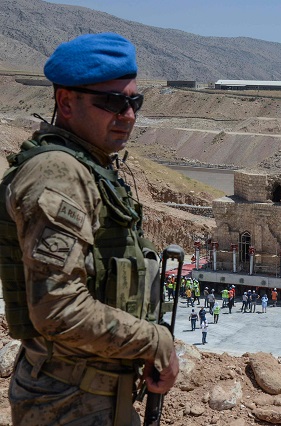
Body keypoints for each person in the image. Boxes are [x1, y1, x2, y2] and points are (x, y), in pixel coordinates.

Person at [0, 33, 179, 425]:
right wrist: (155, 341)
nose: (128, 115)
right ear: (66, 102)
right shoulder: (58, 174)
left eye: (134, 102)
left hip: (91, 397)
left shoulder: (90, 167)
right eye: (112, 102)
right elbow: (57, 309)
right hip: (68, 404)